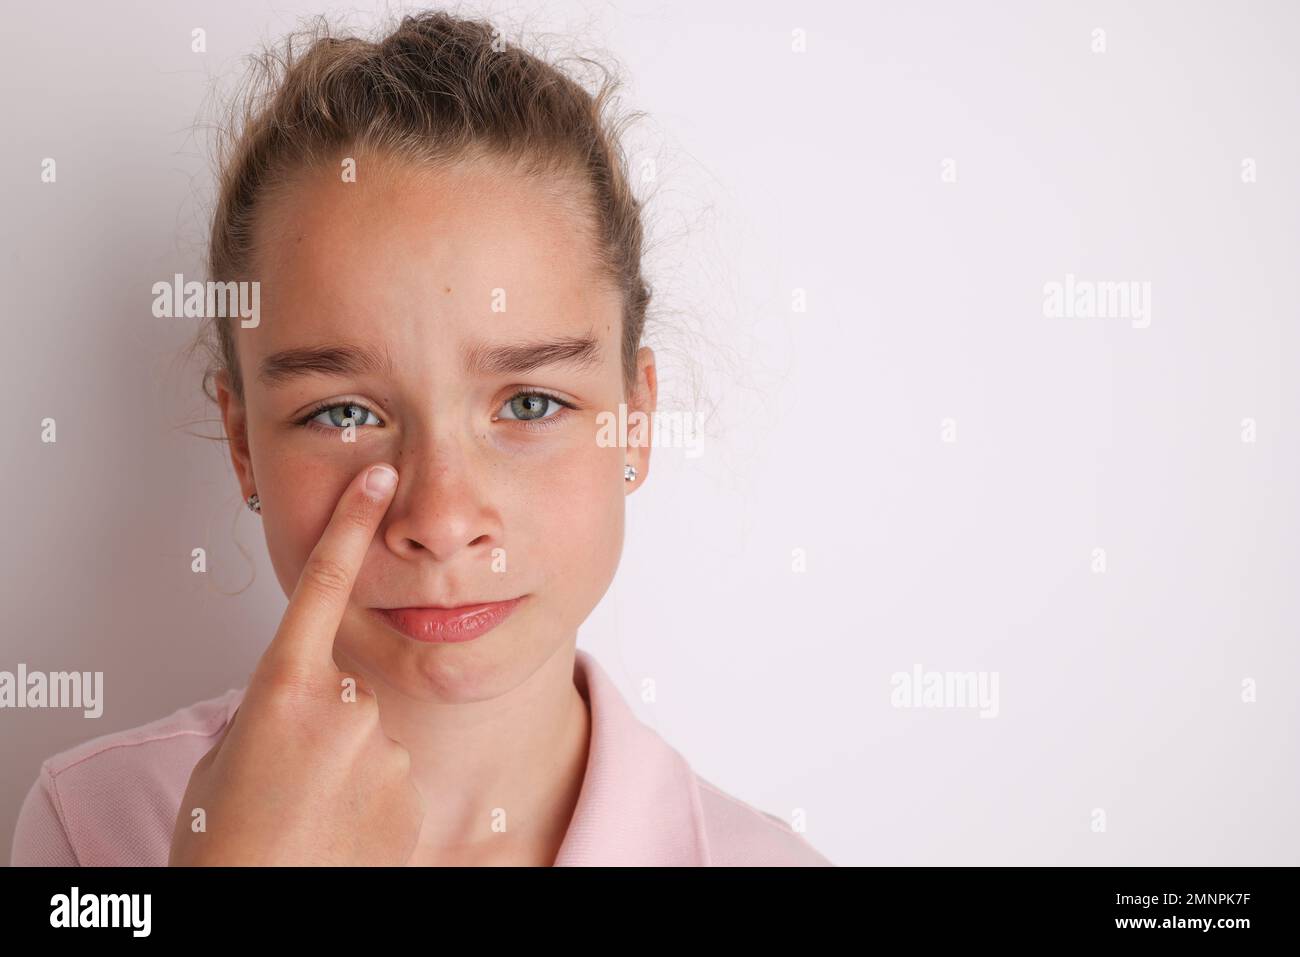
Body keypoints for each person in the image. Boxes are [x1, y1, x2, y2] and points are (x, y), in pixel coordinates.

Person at [10, 9, 831, 867]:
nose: (439, 517)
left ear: (636, 420)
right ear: (243, 442)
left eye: (529, 405)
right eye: (346, 413)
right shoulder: (91, 828)